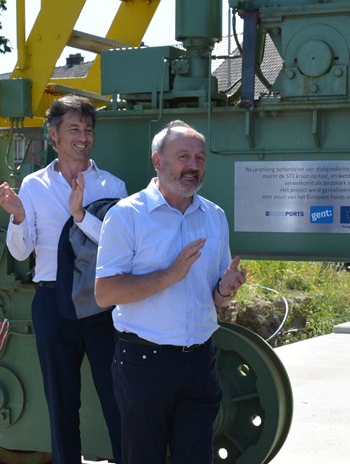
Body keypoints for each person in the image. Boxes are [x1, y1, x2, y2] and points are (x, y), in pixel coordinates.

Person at [95, 120, 247, 464]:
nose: (193, 165)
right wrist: (170, 274)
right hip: (143, 365)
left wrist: (225, 289)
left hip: (199, 363)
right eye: (183, 156)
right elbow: (105, 293)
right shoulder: (127, 216)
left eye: (200, 158)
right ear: (158, 162)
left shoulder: (214, 216)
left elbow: (214, 298)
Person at [0, 95, 127, 463]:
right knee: (61, 402)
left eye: (88, 130)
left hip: (102, 301)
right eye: (74, 129)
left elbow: (123, 248)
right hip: (52, 303)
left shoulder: (113, 186)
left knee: (118, 399)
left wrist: (81, 215)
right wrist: (19, 216)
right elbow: (21, 253)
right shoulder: (34, 186)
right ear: (54, 135)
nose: (83, 137)